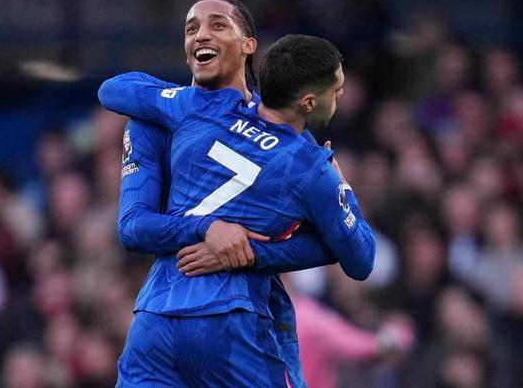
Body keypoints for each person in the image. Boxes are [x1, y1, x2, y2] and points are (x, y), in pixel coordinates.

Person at [99, 34, 376, 386]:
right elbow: (361, 258)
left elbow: (113, 91)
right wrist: (344, 187)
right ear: (308, 102)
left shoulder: (204, 109)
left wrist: (181, 96)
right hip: (230, 322)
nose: (340, 95)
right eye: (335, 91)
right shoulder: (310, 167)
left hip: (154, 317)